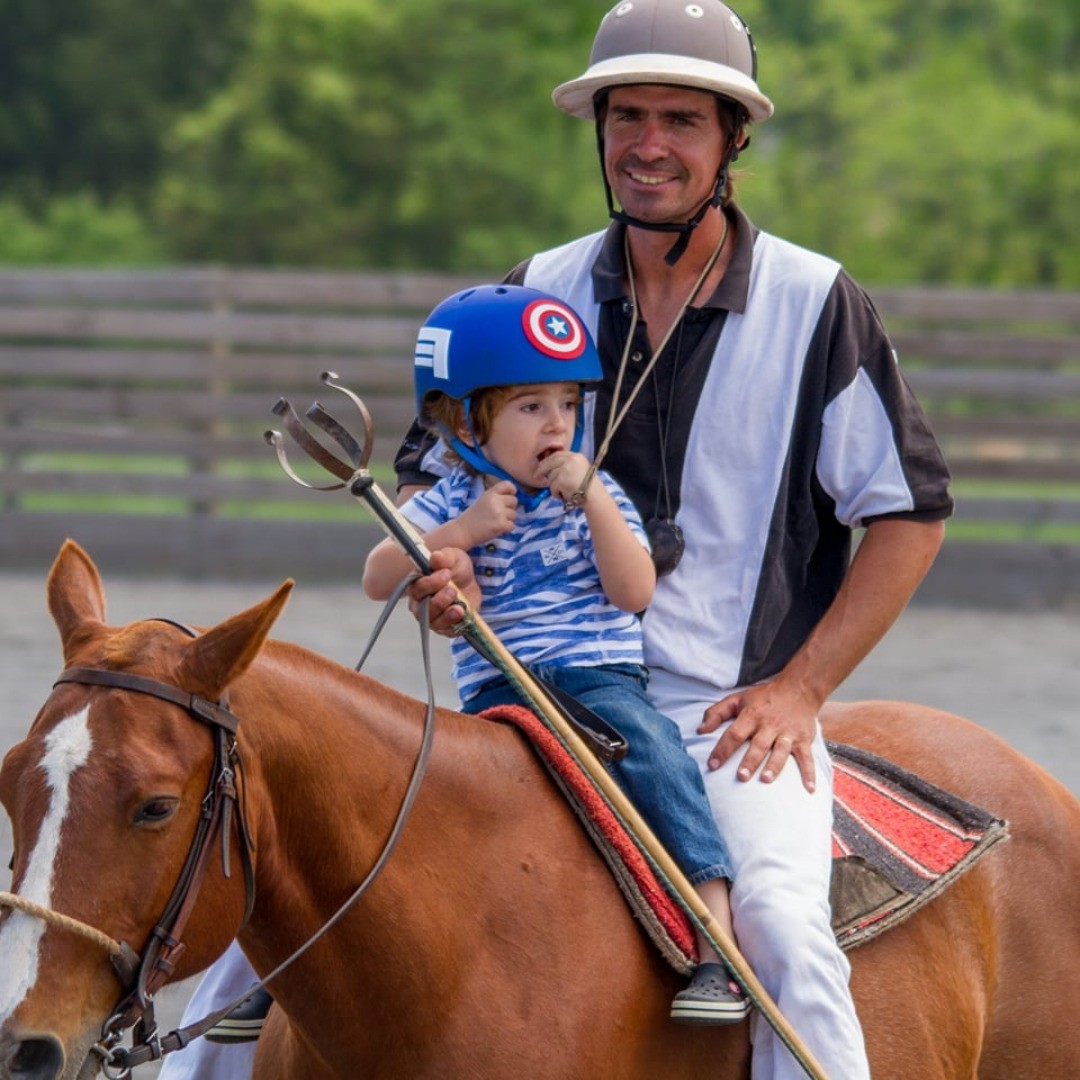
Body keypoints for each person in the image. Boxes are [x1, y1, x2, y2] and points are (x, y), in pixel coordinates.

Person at [394, 2, 953, 1078]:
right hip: (525, 694)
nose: (649, 145)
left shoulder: (815, 300)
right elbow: (439, 485)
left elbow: (908, 512)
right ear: (599, 128)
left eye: (682, 121)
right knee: (283, 915)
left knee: (785, 938)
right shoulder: (534, 286)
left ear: (731, 140)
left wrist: (801, 689)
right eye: (628, 116)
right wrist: (446, 570)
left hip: (722, 723)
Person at [365, 282, 749, 1025]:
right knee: (406, 788)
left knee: (658, 760)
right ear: (466, 422)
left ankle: (715, 943)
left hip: (596, 683)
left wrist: (595, 500)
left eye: (569, 405)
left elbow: (634, 590)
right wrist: (465, 531)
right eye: (531, 406)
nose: (559, 425)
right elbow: (377, 574)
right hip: (496, 698)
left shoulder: (595, 493)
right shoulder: (451, 499)